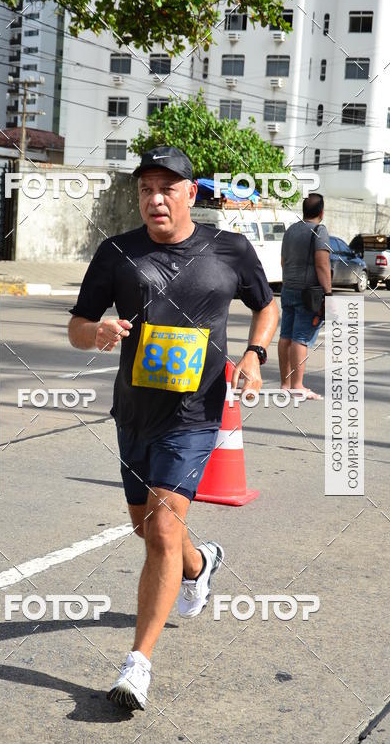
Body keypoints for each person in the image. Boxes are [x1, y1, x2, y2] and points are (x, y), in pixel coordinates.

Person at [68, 146, 278, 710]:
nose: (154, 199)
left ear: (191, 193)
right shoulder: (117, 252)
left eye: (167, 188)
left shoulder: (229, 248)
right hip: (133, 411)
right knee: (148, 529)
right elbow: (77, 327)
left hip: (195, 413)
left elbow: (267, 306)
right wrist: (99, 333)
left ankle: (137, 665)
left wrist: (256, 355)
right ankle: (201, 562)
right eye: (145, 190)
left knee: (160, 531)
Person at [278, 193, 332, 400]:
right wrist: (328, 294)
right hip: (309, 293)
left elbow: (283, 261)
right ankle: (298, 385)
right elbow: (322, 264)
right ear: (321, 212)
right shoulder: (320, 231)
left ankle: (286, 384)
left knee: (286, 337)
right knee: (300, 339)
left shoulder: (291, 230)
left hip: (288, 288)